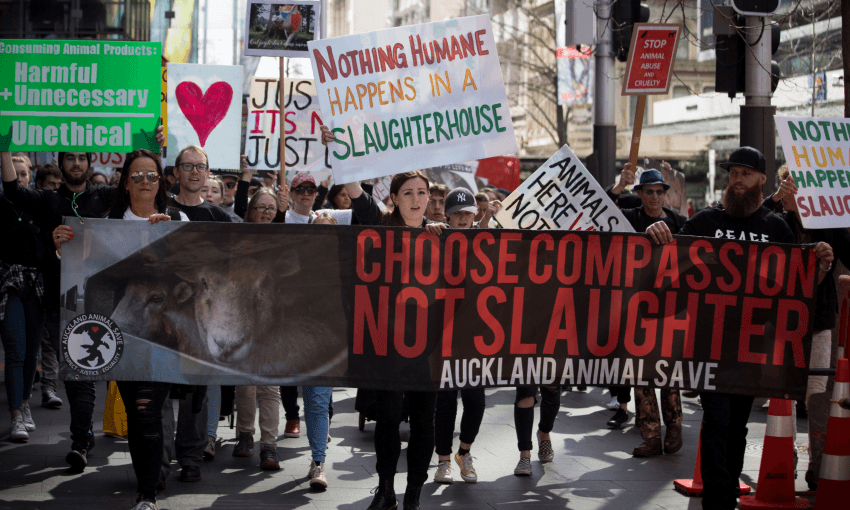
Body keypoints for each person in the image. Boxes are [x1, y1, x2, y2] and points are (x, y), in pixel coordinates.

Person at [645, 146, 834, 510]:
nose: (737, 181)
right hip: (712, 343)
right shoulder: (706, 221)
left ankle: (726, 490)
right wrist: (656, 230)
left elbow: (796, 283)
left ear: (763, 180)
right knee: (716, 419)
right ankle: (717, 498)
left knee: (738, 426)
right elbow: (672, 252)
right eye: (733, 174)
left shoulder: (776, 226)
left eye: (746, 174)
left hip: (754, 347)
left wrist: (822, 266)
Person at [55, 149, 187, 510]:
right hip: (119, 335)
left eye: (152, 176)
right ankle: (147, 481)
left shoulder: (177, 219)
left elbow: (193, 275)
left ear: (161, 182)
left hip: (161, 336)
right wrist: (63, 248)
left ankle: (147, 494)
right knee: (135, 411)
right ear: (126, 183)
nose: (146, 182)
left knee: (147, 410)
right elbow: (82, 270)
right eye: (138, 176)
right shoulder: (104, 224)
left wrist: (171, 241)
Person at [324, 116, 446, 510]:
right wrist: (338, 149)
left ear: (429, 198)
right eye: (408, 192)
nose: (415, 198)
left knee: (424, 421)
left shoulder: (442, 236)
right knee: (389, 418)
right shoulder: (379, 225)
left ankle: (414, 492)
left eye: (422, 192)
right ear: (394, 198)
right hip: (387, 341)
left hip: (429, 345)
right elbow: (355, 191)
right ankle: (386, 490)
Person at [763, 165, 850, 490]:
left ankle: (818, 465)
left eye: (795, 185)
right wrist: (775, 198)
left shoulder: (829, 225)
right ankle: (783, 465)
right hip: (782, 322)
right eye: (785, 183)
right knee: (782, 391)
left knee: (816, 393)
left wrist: (835, 222)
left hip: (819, 320)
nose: (790, 190)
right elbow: (754, 224)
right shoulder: (778, 222)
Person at [612, 165, 687, 457]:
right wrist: (619, 186)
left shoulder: (679, 223)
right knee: (641, 377)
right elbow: (600, 215)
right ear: (640, 193)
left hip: (669, 310)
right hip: (636, 309)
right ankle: (651, 436)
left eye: (660, 191)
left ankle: (675, 428)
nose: (655, 196)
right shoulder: (629, 219)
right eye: (650, 191)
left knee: (668, 374)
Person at [433, 188, 485, 485]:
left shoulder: (488, 240)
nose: (463, 218)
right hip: (445, 333)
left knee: (476, 402)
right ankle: (443, 460)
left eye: (468, 213)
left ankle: (464, 452)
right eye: (458, 214)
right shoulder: (437, 238)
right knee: (446, 402)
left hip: (477, 335)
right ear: (448, 216)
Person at [232, 188, 283, 471]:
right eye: (261, 207)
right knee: (245, 384)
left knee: (270, 387)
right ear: (250, 211)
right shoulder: (237, 240)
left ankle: (269, 445)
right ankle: (244, 435)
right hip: (242, 321)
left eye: (271, 208)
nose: (266, 212)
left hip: (273, 323)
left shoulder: (285, 240)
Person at [0, 152, 46, 442]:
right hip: (8, 285)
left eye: (24, 173)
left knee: (32, 353)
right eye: (13, 172)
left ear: (31, 176)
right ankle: (16, 415)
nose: (19, 177)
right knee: (15, 351)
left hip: (37, 286)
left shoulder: (40, 206)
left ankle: (26, 403)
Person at [168, 146, 233, 222]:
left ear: (207, 174)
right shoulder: (162, 209)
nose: (194, 171)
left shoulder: (220, 217)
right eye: (188, 166)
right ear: (176, 172)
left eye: (200, 167)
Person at [284, 173, 352, 225]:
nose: (306, 193)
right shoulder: (283, 217)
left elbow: (359, 213)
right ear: (291, 194)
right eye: (300, 190)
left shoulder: (323, 215)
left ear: (315, 195)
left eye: (310, 190)